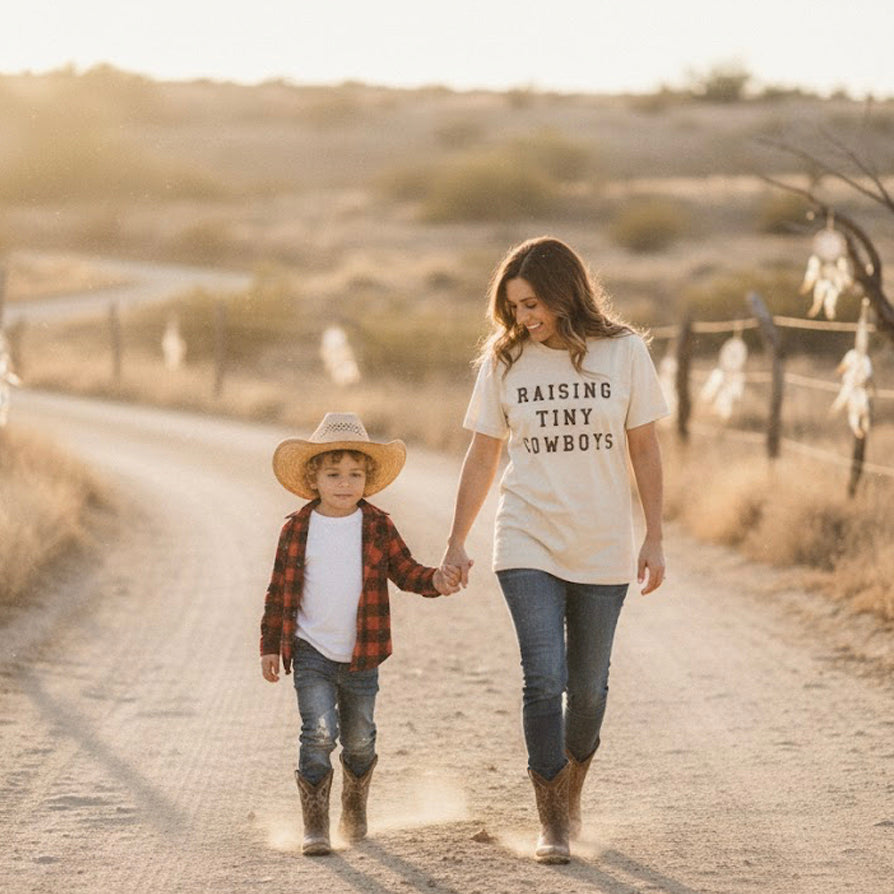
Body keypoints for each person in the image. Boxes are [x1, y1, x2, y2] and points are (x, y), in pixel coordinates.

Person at [441, 236, 668, 864]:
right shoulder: (505, 359)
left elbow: (645, 448)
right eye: (514, 307)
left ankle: (571, 795)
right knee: (543, 678)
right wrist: (456, 539)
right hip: (526, 536)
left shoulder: (624, 352)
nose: (523, 318)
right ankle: (552, 823)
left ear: (565, 293)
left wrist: (654, 535)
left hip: (603, 541)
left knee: (588, 690)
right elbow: (483, 453)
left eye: (532, 304)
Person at [260, 412, 460, 856]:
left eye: (355, 474)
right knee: (317, 732)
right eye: (334, 474)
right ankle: (316, 827)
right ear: (313, 479)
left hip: (361, 653)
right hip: (310, 650)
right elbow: (278, 592)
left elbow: (405, 571)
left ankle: (353, 809)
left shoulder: (377, 525)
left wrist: (436, 580)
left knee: (359, 739)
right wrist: (270, 646)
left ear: (368, 479)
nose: (345, 483)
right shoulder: (297, 529)